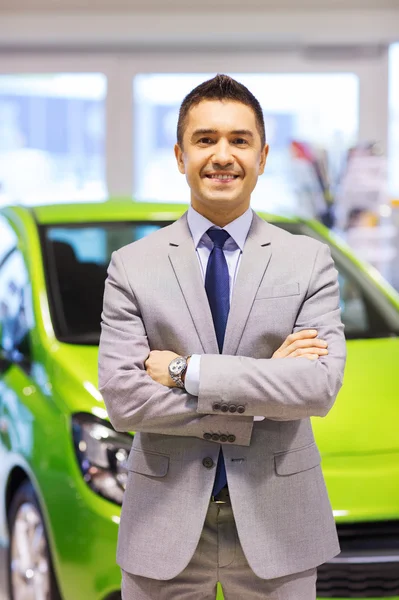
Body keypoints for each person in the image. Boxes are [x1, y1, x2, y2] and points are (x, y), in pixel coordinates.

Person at [98, 74, 346, 600]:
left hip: (281, 524)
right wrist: (262, 393)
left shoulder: (308, 261)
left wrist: (186, 373)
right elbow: (123, 401)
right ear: (179, 154)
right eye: (205, 139)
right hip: (161, 526)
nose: (222, 155)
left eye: (240, 140)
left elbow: (317, 388)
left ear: (262, 155)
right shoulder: (132, 266)